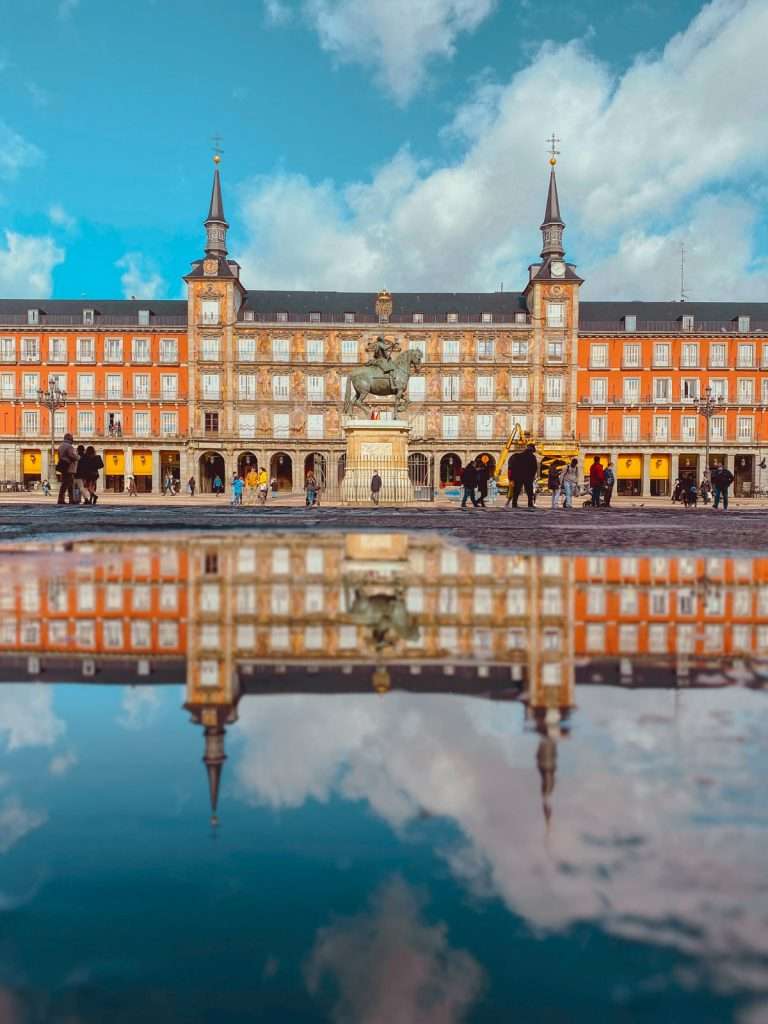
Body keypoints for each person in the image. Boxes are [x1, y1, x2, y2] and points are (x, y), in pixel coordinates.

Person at [506, 444, 538, 509]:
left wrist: (512, 477)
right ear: (532, 450)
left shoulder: (517, 456)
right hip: (528, 477)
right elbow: (534, 468)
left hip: (518, 476)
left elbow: (511, 467)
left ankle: (514, 504)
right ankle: (530, 504)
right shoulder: (532, 457)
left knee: (516, 490)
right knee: (529, 491)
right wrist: (532, 476)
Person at [56, 433, 78, 505]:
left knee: (65, 484)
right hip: (68, 467)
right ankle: (70, 500)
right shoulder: (69, 446)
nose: (73, 439)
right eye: (72, 438)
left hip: (63, 466)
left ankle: (62, 499)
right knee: (69, 484)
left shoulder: (61, 446)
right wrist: (77, 457)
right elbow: (71, 455)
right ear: (69, 439)